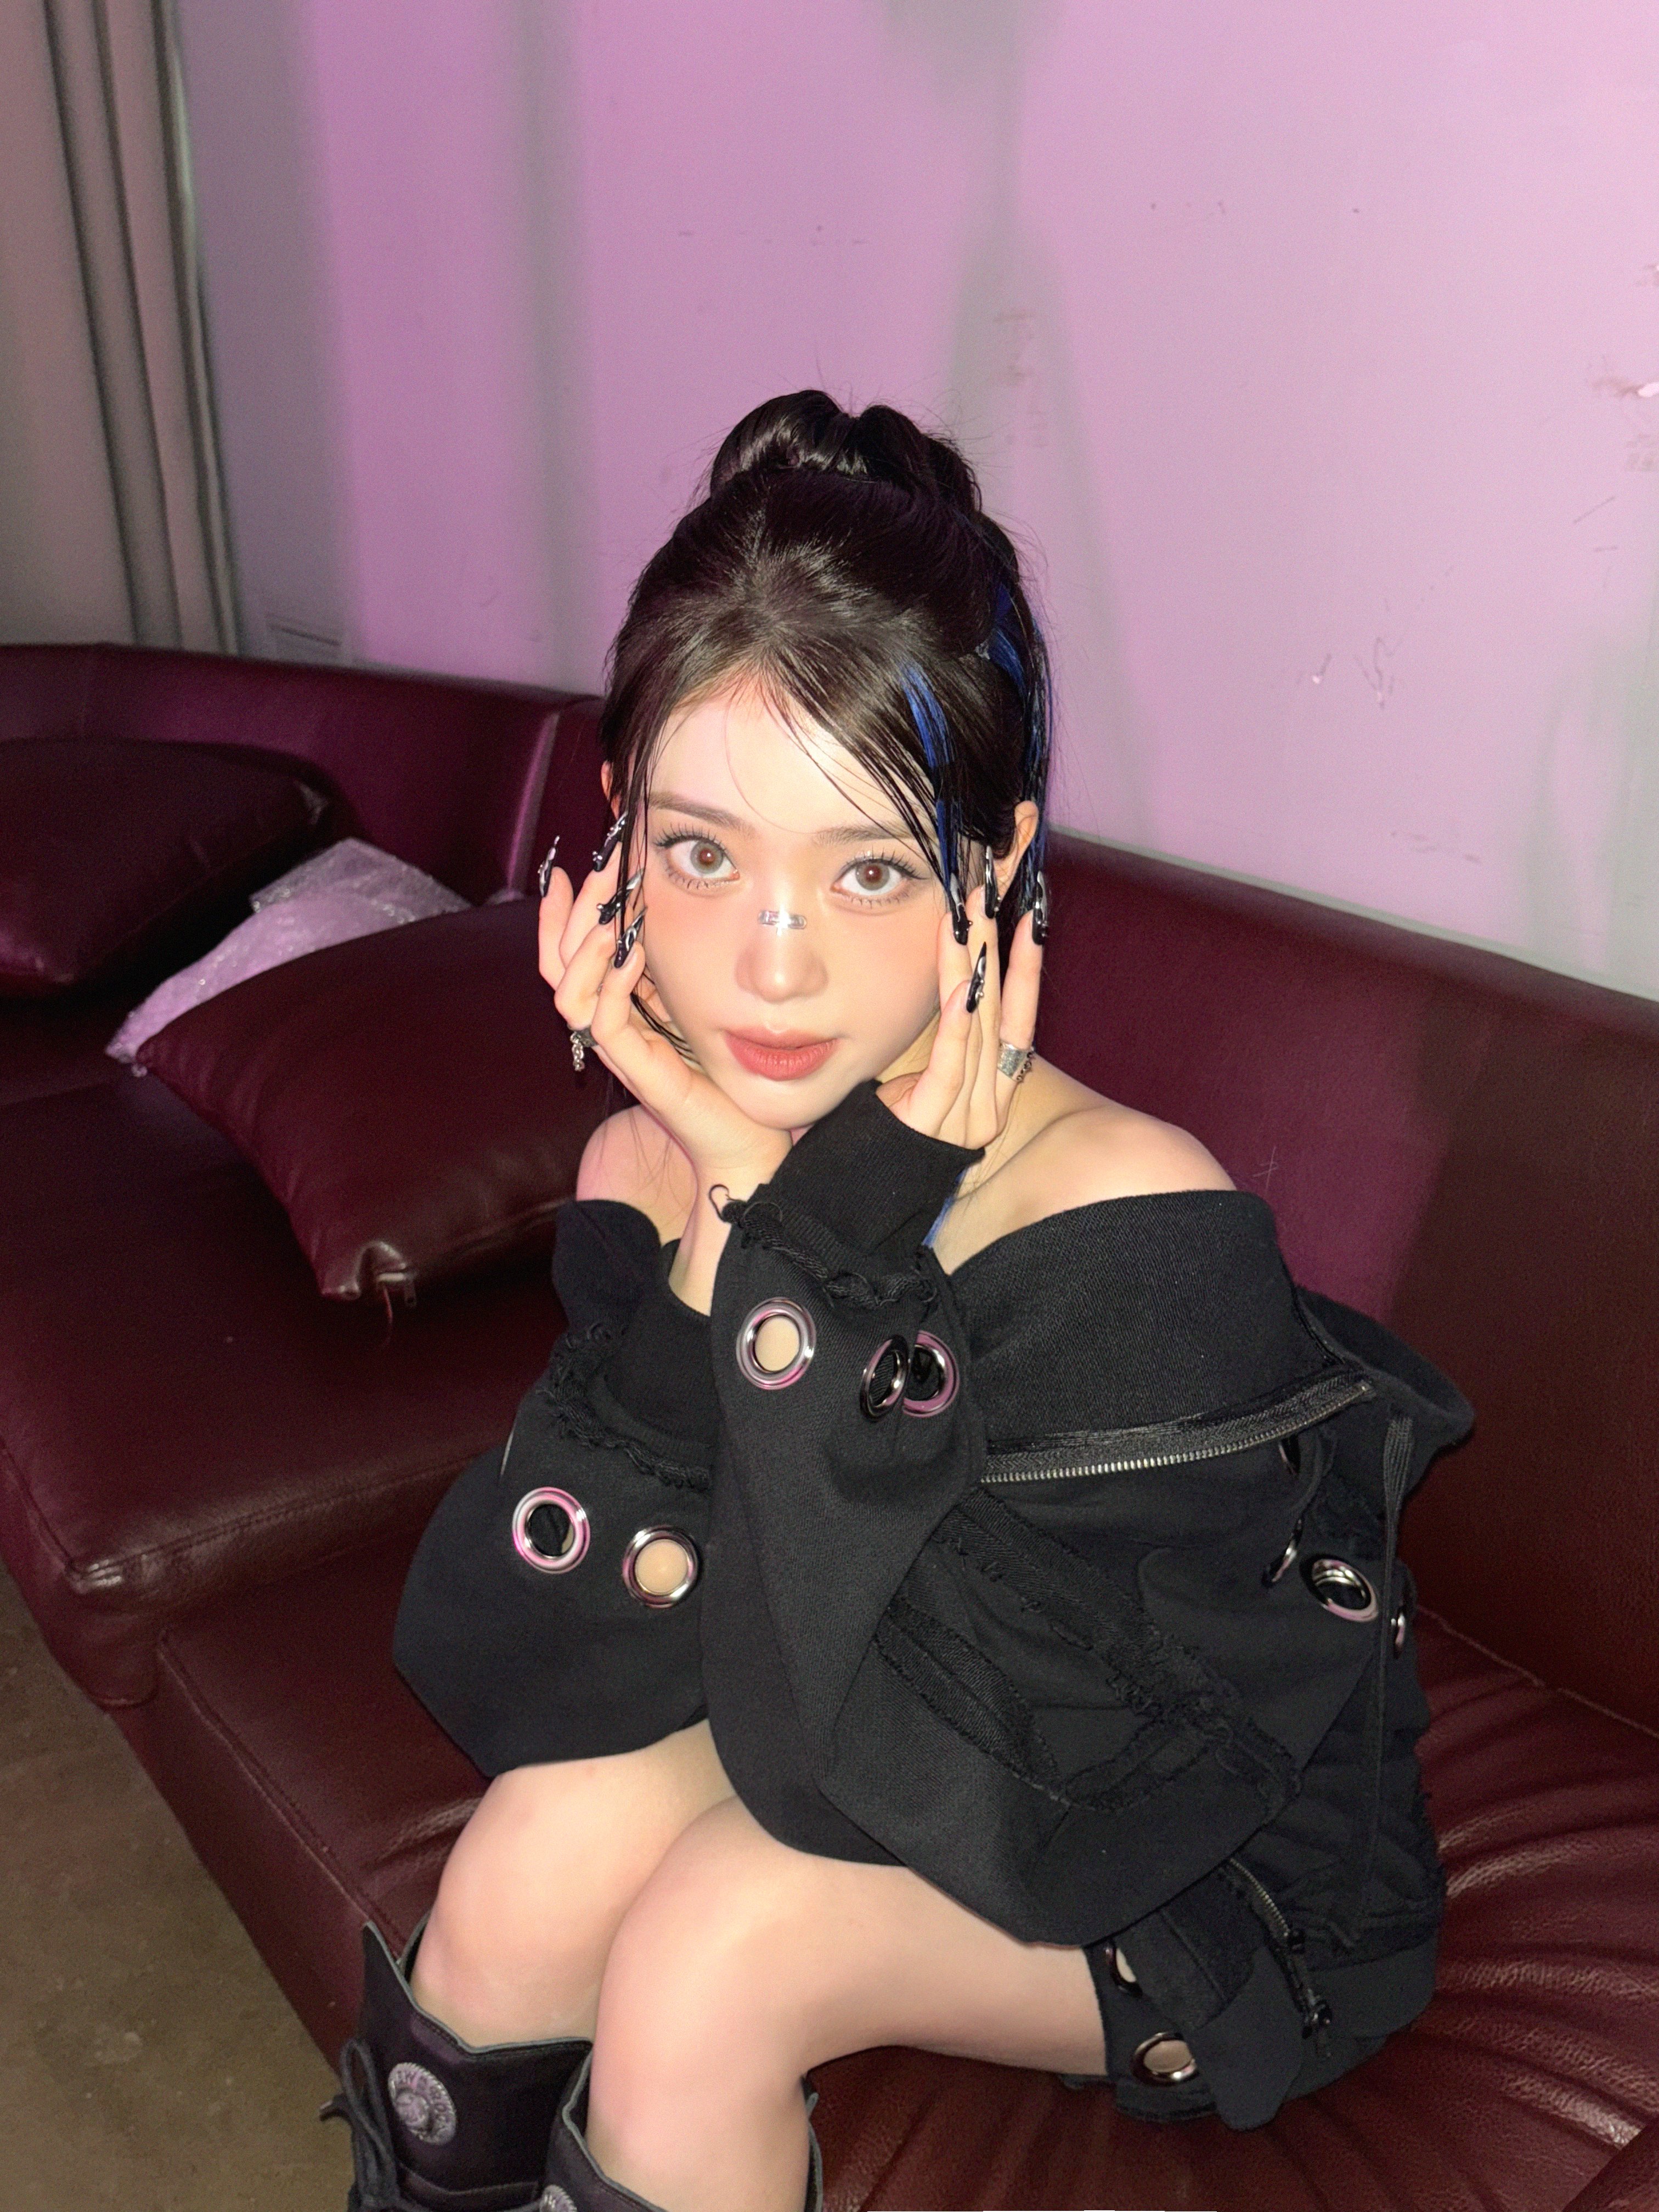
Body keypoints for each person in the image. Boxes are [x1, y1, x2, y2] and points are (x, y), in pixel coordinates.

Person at [323, 392, 1471, 2212]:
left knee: (718, 1953)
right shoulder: (652, 1159)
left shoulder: (1125, 1218)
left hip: (1181, 1850)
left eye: (868, 870)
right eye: (703, 853)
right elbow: (524, 1677)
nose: (770, 967)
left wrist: (807, 1245)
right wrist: (735, 1218)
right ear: (614, 841)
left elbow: (950, 1779)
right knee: (529, 1854)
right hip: (866, 1716)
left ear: (995, 869)